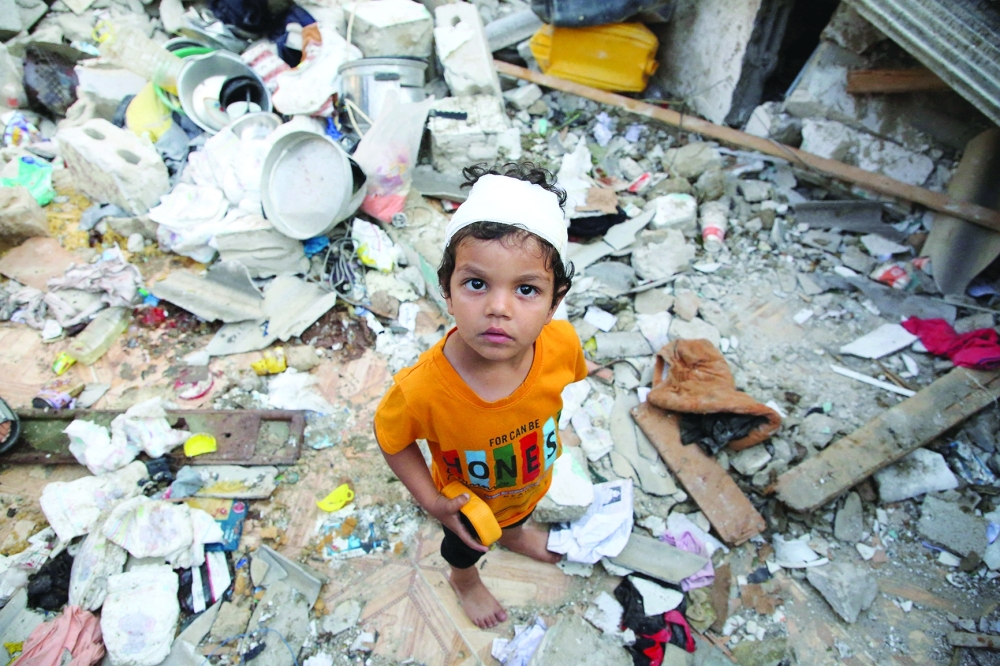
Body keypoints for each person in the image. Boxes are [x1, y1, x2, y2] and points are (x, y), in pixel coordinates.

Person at [374, 162, 587, 628]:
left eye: (526, 289)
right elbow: (391, 439)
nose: (498, 307)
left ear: (555, 302)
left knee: (518, 516)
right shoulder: (423, 389)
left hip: (531, 485)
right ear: (447, 291)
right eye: (476, 284)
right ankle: (464, 581)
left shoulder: (563, 346)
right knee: (465, 547)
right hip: (467, 507)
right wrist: (432, 501)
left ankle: (515, 534)